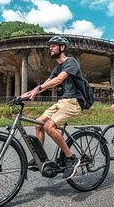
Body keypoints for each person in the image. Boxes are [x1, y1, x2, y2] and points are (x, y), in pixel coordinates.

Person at [20, 35, 83, 179]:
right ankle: (40, 159)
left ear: (62, 47)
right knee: (38, 123)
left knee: (49, 127)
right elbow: (45, 83)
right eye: (50, 46)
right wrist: (23, 95)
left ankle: (71, 158)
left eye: (53, 45)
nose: (50, 48)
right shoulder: (57, 67)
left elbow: (59, 80)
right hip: (63, 101)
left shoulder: (71, 62)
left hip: (74, 101)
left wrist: (38, 88)